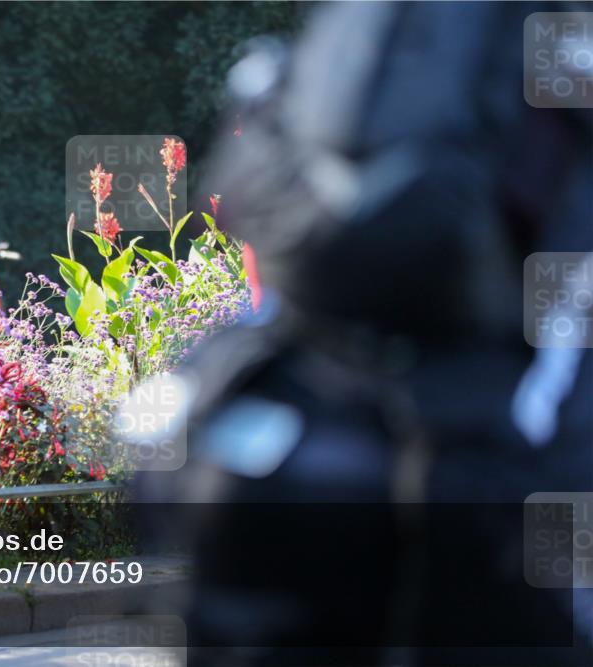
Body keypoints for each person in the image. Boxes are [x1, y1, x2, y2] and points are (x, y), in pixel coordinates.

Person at [143, 2, 593, 665]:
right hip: (491, 461)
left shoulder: (355, 43)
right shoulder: (551, 55)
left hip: (290, 437)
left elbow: (249, 206)